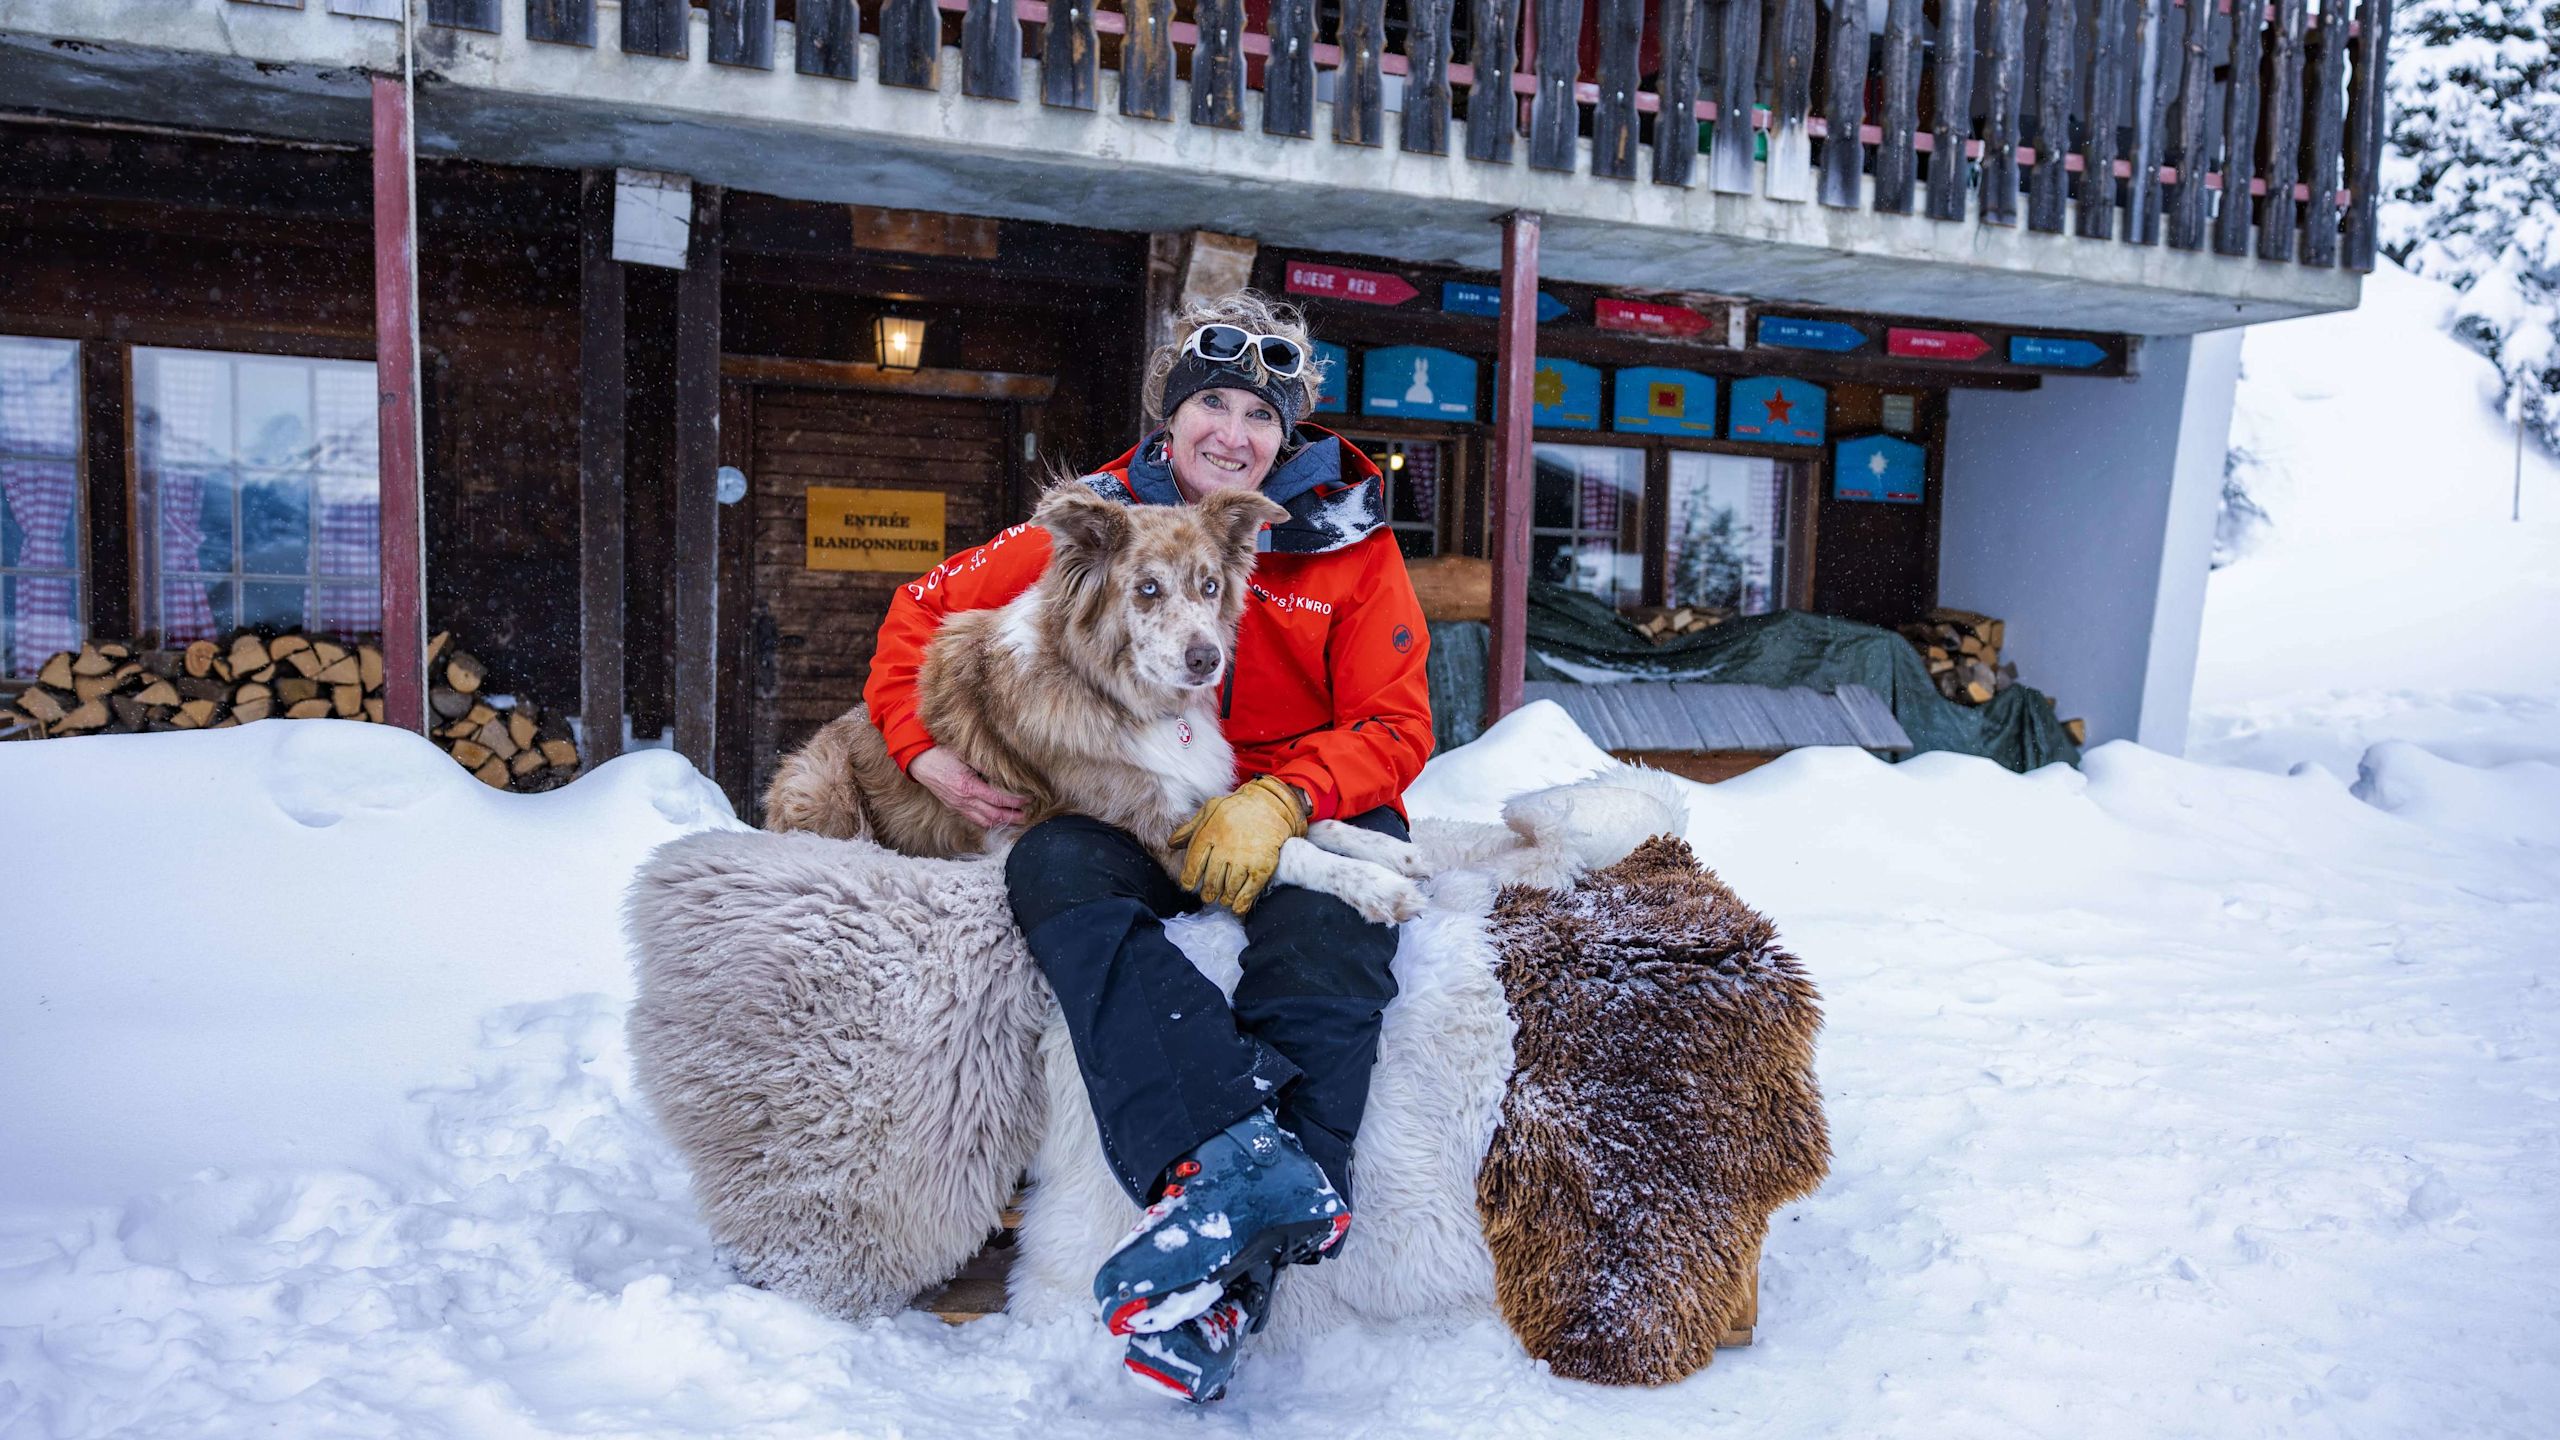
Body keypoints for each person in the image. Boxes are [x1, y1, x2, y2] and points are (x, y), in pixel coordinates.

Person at [860, 291, 1433, 1402]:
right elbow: (919, 611)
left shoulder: (1349, 548)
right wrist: (919, 750)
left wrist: (1286, 798)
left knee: (1323, 946)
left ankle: (1221, 1286)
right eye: (1209, 403)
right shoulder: (1100, 524)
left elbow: (1397, 724)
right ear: (1170, 417)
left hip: (1303, 806)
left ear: (1291, 433)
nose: (1232, 432)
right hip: (1140, 799)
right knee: (1052, 867)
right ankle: (1225, 1161)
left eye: (1258, 415)